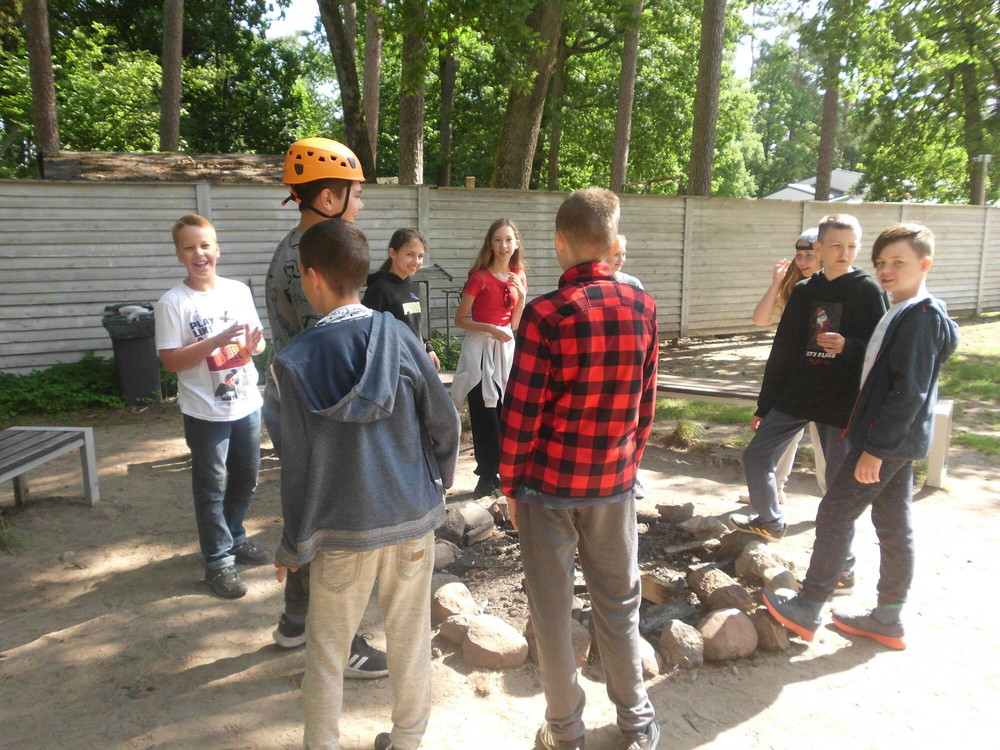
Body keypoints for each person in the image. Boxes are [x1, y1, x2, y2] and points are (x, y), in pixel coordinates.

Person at [272, 218, 460, 750]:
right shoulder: (399, 336)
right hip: (411, 517)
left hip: (341, 529)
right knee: (410, 638)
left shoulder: (292, 362)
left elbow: (296, 464)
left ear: (312, 276)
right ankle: (407, 740)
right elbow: (445, 421)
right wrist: (437, 485)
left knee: (327, 654)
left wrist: (293, 545)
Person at [500, 189, 660, 750]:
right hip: (613, 483)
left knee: (551, 612)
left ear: (559, 243)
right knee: (619, 605)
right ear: (613, 244)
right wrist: (628, 464)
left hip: (547, 487)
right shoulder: (643, 306)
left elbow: (521, 412)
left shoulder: (546, 314)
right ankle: (636, 722)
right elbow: (646, 404)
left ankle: (565, 732)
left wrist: (510, 484)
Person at [763, 222, 959, 650]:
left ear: (925, 264)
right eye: (881, 262)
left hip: (883, 442)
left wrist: (874, 451)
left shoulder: (919, 318)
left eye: (899, 262)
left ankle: (809, 606)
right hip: (895, 443)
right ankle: (888, 617)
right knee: (893, 525)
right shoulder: (904, 310)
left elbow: (908, 393)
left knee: (834, 513)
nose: (887, 270)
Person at [262, 137, 387, 678]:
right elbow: (334, 347)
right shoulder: (309, 262)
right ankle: (344, 641)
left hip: (296, 403)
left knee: (307, 509)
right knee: (332, 521)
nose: (361, 202)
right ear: (329, 199)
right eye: (355, 193)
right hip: (316, 409)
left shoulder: (302, 247)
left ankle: (295, 619)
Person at [731, 214, 888, 543]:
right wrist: (764, 405)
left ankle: (838, 551)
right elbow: (783, 350)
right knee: (756, 456)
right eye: (836, 245)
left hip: (841, 400)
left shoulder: (868, 290)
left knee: (837, 479)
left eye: (852, 246)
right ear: (820, 248)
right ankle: (770, 520)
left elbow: (883, 350)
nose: (844, 252)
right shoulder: (804, 290)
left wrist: (848, 346)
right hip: (797, 393)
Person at [154, 214, 269, 599]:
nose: (198, 253)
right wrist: (215, 341)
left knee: (246, 479)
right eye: (189, 247)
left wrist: (253, 346)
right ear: (179, 255)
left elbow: (258, 344)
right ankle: (218, 561)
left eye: (205, 245)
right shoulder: (173, 303)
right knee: (212, 487)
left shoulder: (238, 291)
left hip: (247, 403)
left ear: (217, 249)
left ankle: (235, 536)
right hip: (205, 411)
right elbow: (171, 361)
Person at [740, 228, 822, 507]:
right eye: (799, 255)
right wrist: (777, 283)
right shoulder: (795, 289)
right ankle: (773, 490)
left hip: (827, 376)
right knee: (786, 436)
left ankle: (833, 501)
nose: (803, 261)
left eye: (809, 255)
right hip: (794, 376)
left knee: (826, 444)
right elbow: (761, 319)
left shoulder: (843, 289)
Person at [451, 219, 528, 498]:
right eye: (498, 239)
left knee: (506, 412)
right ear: (490, 244)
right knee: (484, 411)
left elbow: (515, 324)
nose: (503, 245)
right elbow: (460, 319)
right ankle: (486, 476)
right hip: (480, 349)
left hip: (505, 349)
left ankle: (507, 472)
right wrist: (488, 328)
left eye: (508, 239)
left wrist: (521, 296)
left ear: (516, 243)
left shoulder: (519, 276)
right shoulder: (479, 278)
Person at [361, 228, 441, 370]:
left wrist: (428, 347)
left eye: (420, 256)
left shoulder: (412, 286)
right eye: (410, 254)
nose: (416, 261)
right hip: (393, 367)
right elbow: (367, 333)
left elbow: (412, 326)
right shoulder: (379, 289)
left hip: (414, 362)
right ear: (393, 253)